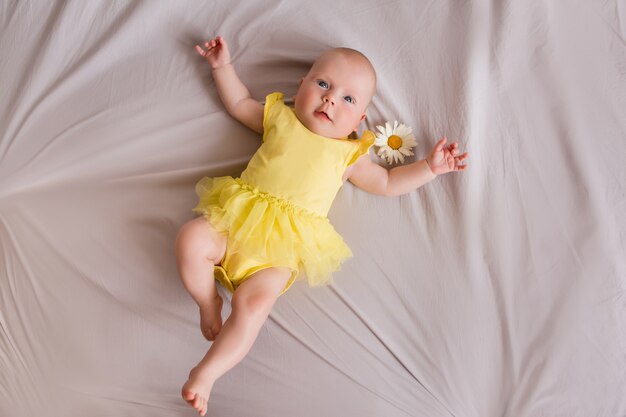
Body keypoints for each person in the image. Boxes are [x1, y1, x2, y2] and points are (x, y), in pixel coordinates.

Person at [176, 36, 468, 416]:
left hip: (278, 253)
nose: (331, 99)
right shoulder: (279, 117)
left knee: (256, 305)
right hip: (233, 222)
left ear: (360, 119)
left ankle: (208, 372)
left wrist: (430, 168)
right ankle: (207, 302)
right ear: (301, 87)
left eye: (349, 99)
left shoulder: (349, 154)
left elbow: (386, 183)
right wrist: (221, 67)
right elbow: (238, 103)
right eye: (323, 85)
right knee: (191, 238)